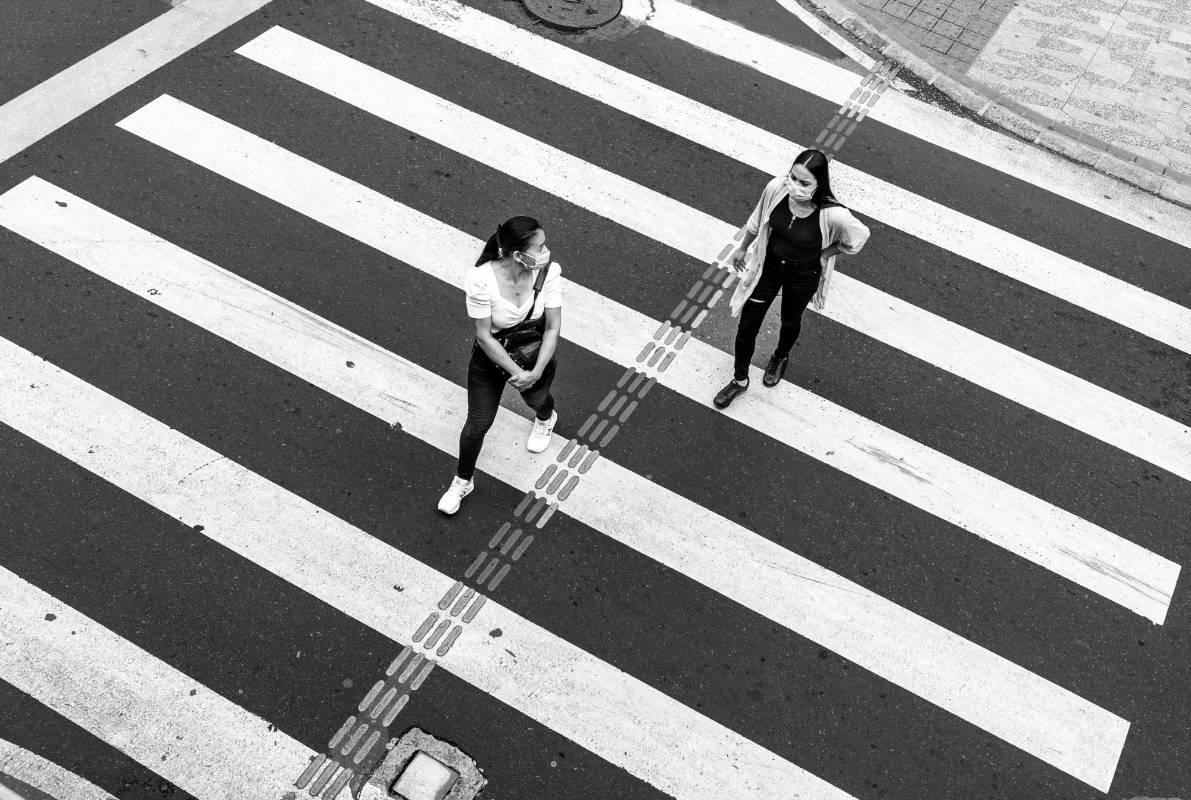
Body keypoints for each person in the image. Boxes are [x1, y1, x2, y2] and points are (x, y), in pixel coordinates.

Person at [713, 149, 870, 409]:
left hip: (803, 274)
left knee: (789, 320)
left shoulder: (833, 214)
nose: (795, 186)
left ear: (819, 184)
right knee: (747, 325)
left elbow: (859, 236)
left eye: (804, 183)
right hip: (769, 267)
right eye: (793, 178)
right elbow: (757, 219)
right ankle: (739, 380)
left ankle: (780, 356)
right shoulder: (776, 188)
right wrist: (742, 248)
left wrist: (827, 253)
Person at [438, 216, 562, 514]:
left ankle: (546, 418)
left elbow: (552, 327)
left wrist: (534, 372)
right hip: (491, 359)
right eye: (540, 246)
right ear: (518, 254)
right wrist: (517, 373)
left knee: (537, 399)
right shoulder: (481, 279)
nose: (546, 251)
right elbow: (483, 336)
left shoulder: (550, 273)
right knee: (477, 424)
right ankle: (462, 480)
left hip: (533, 354)